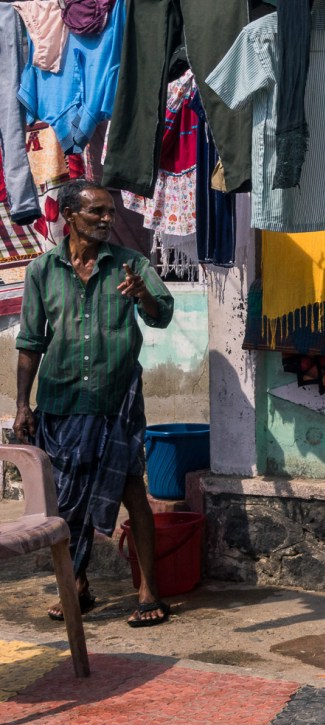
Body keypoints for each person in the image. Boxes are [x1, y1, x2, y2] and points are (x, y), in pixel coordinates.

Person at [13, 179, 175, 627]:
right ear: (69, 216)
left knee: (132, 492)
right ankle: (77, 586)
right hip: (61, 402)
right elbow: (30, 343)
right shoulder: (42, 270)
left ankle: (149, 591)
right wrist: (22, 406)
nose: (108, 219)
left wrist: (142, 295)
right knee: (65, 502)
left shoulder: (132, 264)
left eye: (110, 211)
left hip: (116, 401)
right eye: (97, 212)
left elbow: (162, 315)